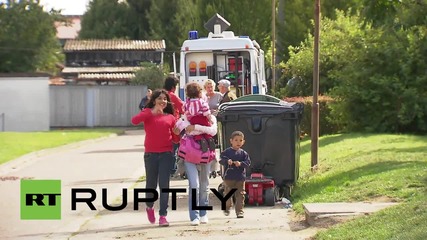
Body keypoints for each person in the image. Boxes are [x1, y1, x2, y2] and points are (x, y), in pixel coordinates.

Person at [131, 89, 180, 227]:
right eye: (160, 99)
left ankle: (163, 216)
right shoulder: (148, 114)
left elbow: (176, 139)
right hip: (151, 155)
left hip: (166, 154)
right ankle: (149, 206)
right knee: (151, 185)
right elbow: (134, 121)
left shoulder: (170, 117)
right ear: (153, 100)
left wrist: (176, 133)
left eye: (165, 99)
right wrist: (150, 112)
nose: (163, 101)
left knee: (164, 186)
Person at [173, 114, 218, 226]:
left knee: (204, 184)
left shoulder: (210, 117)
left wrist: (195, 127)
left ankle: (203, 213)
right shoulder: (186, 116)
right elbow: (178, 129)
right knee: (194, 185)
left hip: (205, 152)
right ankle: (194, 215)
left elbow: (213, 131)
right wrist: (178, 129)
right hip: (190, 153)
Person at [219, 130, 251, 218]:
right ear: (231, 141)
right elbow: (221, 160)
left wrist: (240, 164)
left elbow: (248, 163)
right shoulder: (227, 152)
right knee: (228, 194)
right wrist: (227, 161)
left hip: (240, 178)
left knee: (240, 195)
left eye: (240, 140)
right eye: (236, 140)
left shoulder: (244, 154)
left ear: (243, 142)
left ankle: (240, 211)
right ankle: (227, 207)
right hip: (229, 178)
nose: (238, 142)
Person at [184, 82, 216, 152]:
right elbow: (206, 111)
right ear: (199, 92)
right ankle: (209, 138)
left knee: (197, 132)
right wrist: (210, 119)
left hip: (193, 119)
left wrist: (189, 119)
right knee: (206, 131)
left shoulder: (187, 103)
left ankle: (200, 140)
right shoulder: (201, 101)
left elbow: (186, 112)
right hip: (202, 118)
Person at [163, 76, 184, 175]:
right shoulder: (172, 96)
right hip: (173, 125)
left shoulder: (161, 94)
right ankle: (172, 169)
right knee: (175, 147)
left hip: (161, 124)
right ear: (173, 87)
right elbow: (182, 107)